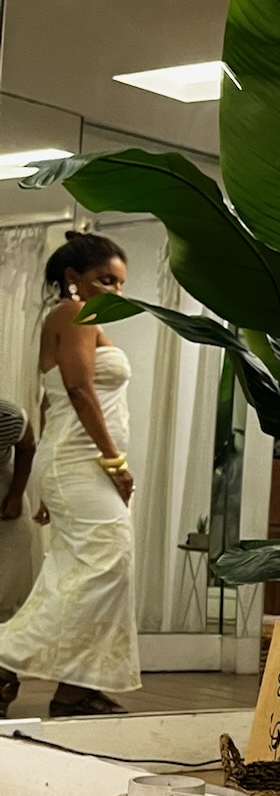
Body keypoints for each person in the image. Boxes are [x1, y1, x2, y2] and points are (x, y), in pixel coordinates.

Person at [0, 231, 140, 719]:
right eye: (106, 280)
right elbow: (79, 391)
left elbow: (48, 400)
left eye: (120, 284)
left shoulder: (80, 319)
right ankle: (5, 659)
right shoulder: (74, 313)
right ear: (73, 278)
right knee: (106, 566)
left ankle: (76, 690)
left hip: (73, 465)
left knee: (87, 572)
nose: (115, 292)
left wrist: (47, 481)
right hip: (83, 463)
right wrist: (114, 463)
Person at [0, 395, 39, 654]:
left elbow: (27, 446)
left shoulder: (7, 416)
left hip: (2, 482)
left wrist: (15, 494)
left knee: (7, 574)